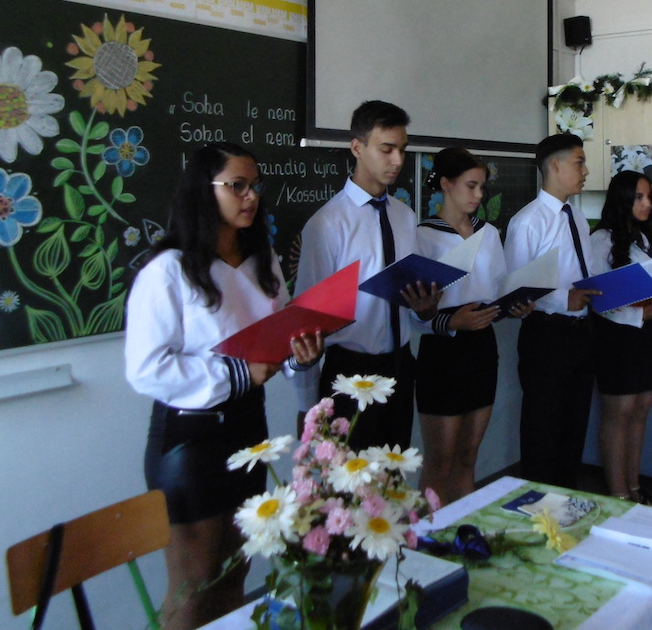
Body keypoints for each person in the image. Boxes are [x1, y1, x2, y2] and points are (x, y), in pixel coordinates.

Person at [125, 143, 323, 630]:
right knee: (193, 587)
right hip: (190, 441)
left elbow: (276, 340)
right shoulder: (167, 269)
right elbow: (146, 368)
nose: (250, 196)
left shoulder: (263, 261)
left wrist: (300, 355)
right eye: (236, 185)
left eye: (254, 186)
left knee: (236, 572)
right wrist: (237, 373)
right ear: (203, 190)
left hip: (248, 429)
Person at [294, 100, 439, 450]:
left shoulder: (405, 216)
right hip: (349, 371)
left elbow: (412, 304)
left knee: (394, 470)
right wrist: (306, 404)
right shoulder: (327, 224)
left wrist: (425, 310)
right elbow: (305, 324)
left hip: (401, 365)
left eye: (402, 149)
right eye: (387, 149)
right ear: (357, 148)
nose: (398, 160)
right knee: (351, 477)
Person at [416, 148, 532, 505]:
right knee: (440, 458)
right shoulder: (423, 235)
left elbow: (497, 290)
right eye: (471, 186)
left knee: (468, 455)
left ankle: (465, 527)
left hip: (481, 347)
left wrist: (515, 307)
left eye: (482, 187)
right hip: (441, 353)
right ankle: (429, 533)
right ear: (446, 184)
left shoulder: (490, 234)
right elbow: (412, 314)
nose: (479, 195)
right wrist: (451, 321)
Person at [506, 132, 600, 489]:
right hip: (546, 336)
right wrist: (563, 300)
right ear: (556, 166)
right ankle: (538, 509)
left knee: (574, 430)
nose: (586, 171)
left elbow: (584, 273)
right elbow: (515, 290)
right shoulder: (528, 222)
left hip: (582, 333)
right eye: (580, 162)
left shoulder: (578, 217)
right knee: (543, 431)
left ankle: (566, 504)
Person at [588, 170, 652, 505]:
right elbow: (598, 300)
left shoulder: (648, 236)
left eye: (649, 197)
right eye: (638, 197)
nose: (646, 203)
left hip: (650, 335)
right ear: (622, 199)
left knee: (641, 410)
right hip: (618, 338)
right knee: (619, 414)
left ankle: (635, 487)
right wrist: (640, 315)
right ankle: (619, 494)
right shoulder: (602, 239)